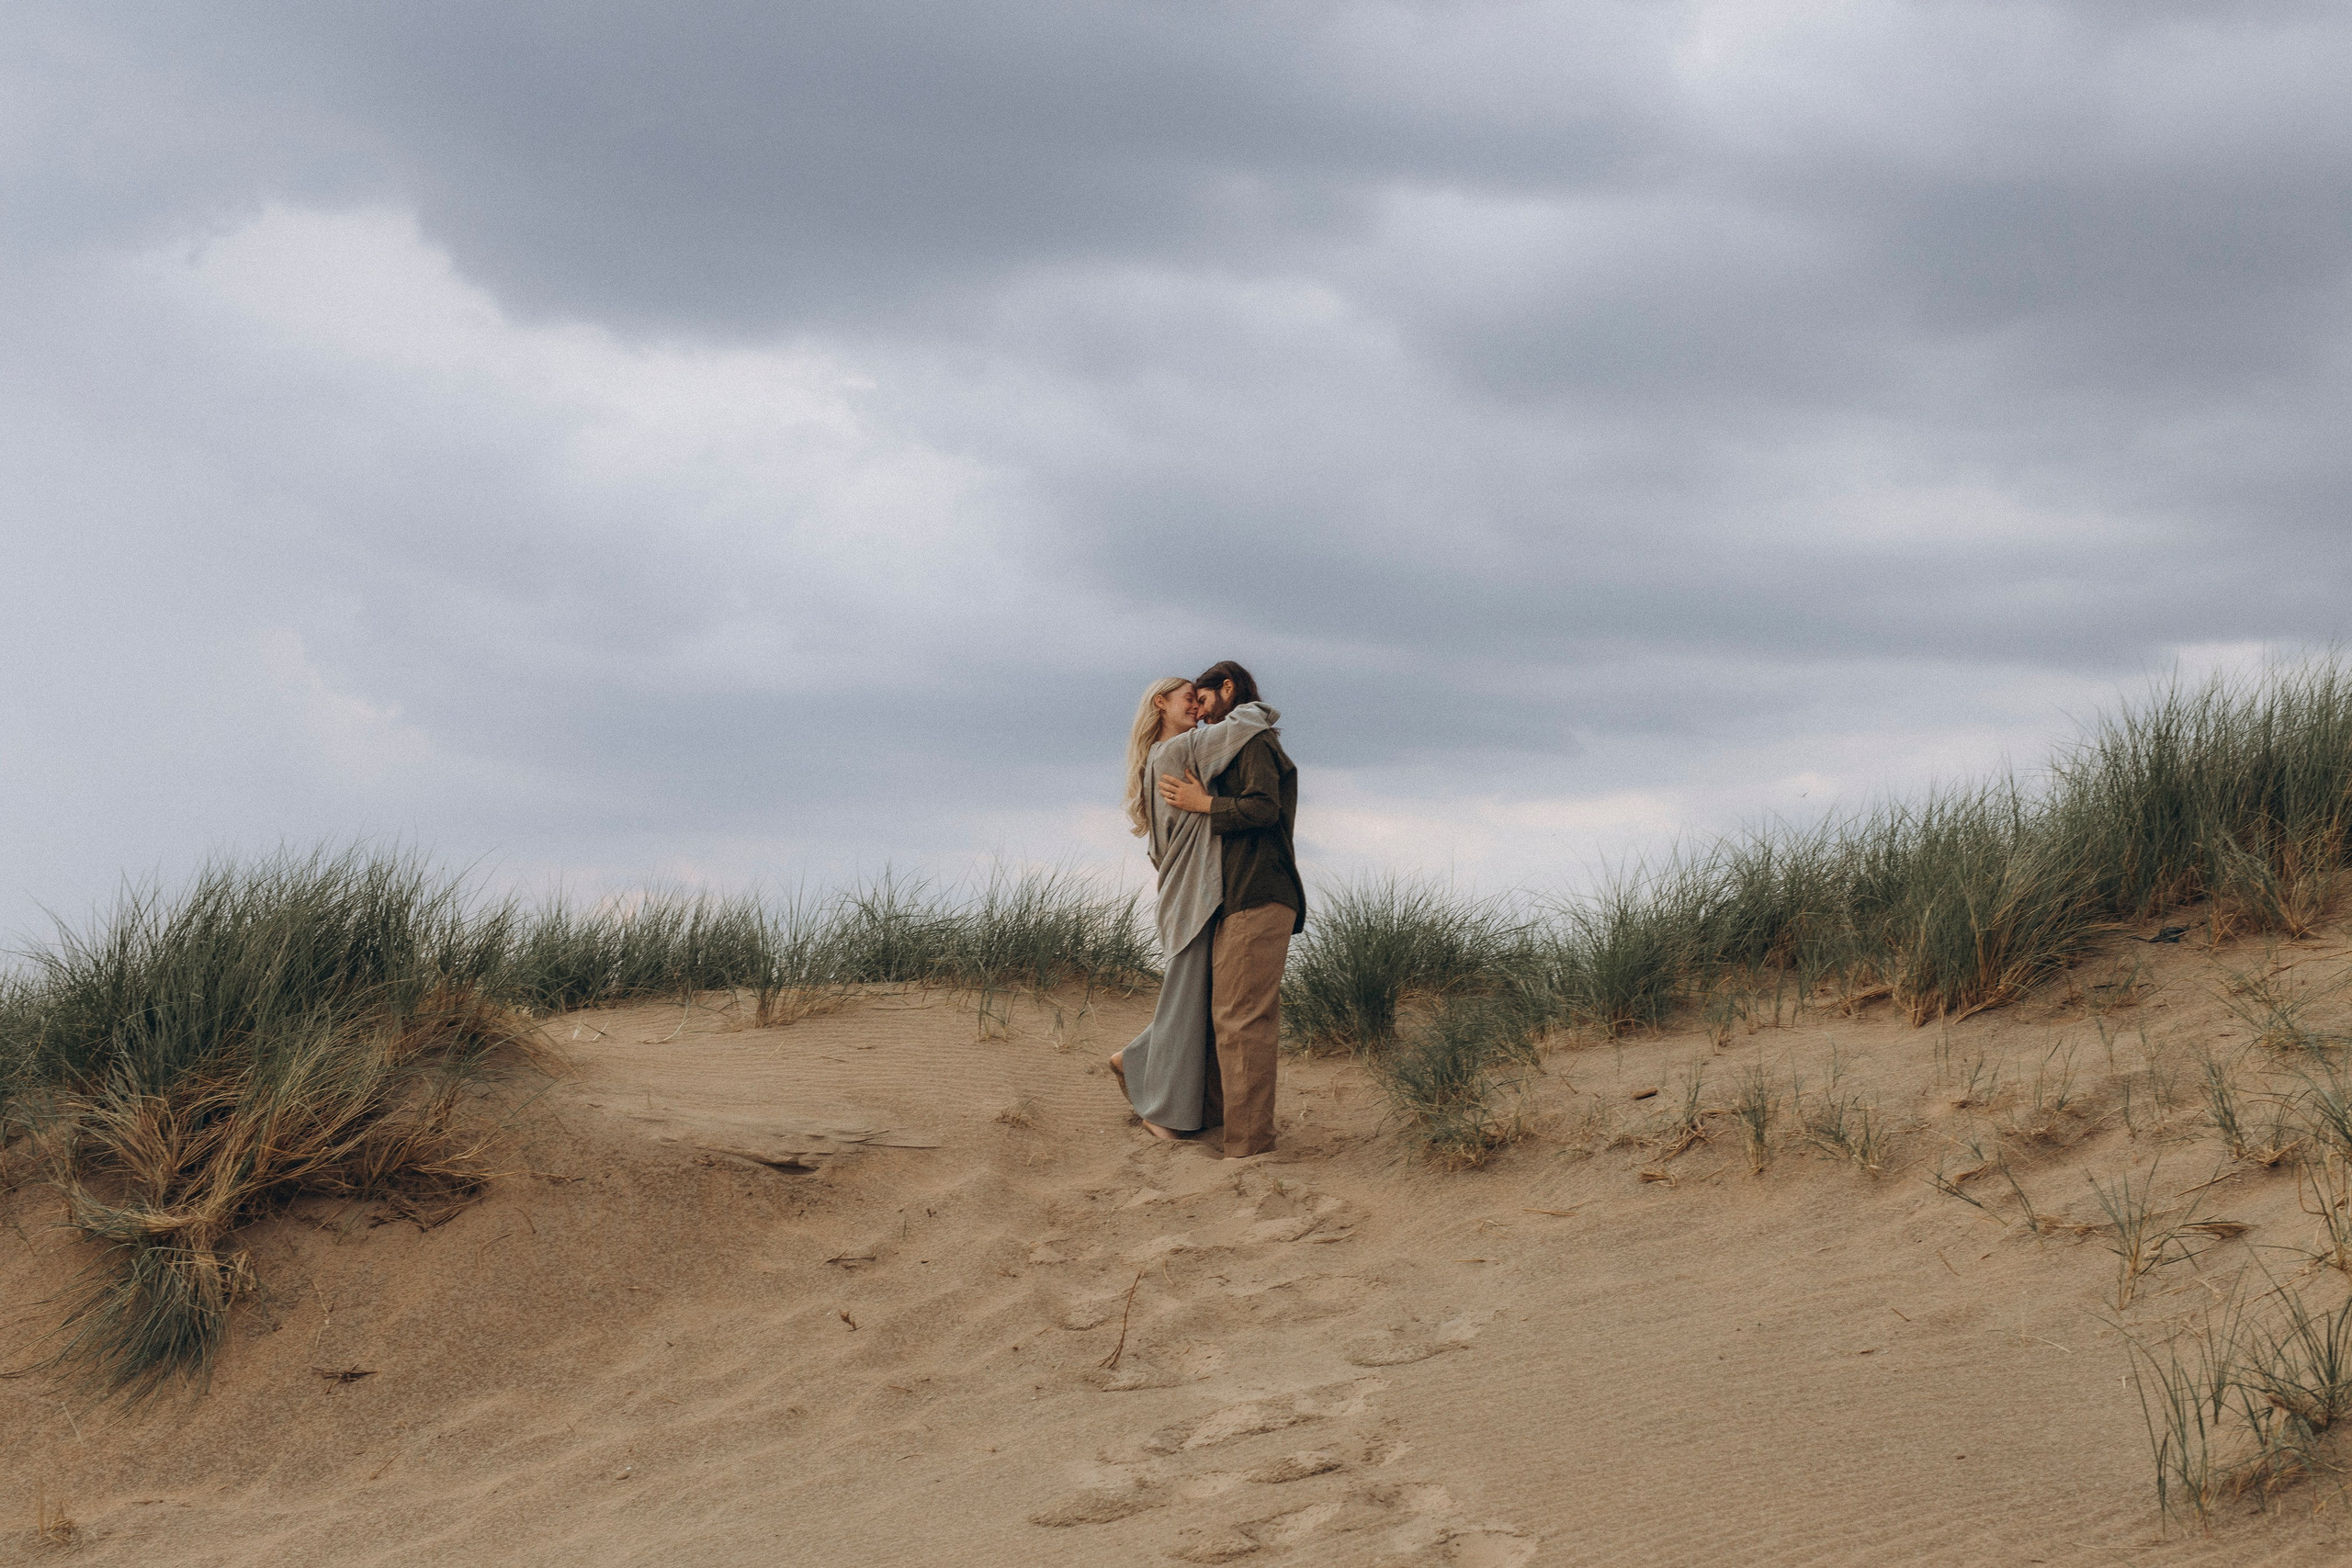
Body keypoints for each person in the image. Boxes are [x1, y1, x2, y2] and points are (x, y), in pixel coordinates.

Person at [1109, 676, 1278, 1141]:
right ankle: (1160, 1114)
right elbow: (1246, 723)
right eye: (1190, 699)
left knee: (1195, 1000)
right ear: (1160, 704)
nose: (1199, 710)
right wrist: (1246, 704)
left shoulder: (1159, 760)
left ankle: (1138, 1061)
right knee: (1186, 1004)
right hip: (1192, 898)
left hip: (1187, 896)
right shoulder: (1175, 752)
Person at [1158, 660, 1304, 1158]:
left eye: (1202, 701)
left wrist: (1204, 807)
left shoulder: (1254, 740)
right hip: (1238, 898)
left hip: (1260, 895)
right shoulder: (1229, 748)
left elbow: (1265, 807)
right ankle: (1219, 1127)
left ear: (1227, 689)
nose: (1198, 713)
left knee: (1243, 1020)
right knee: (1226, 1016)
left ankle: (1248, 1146)